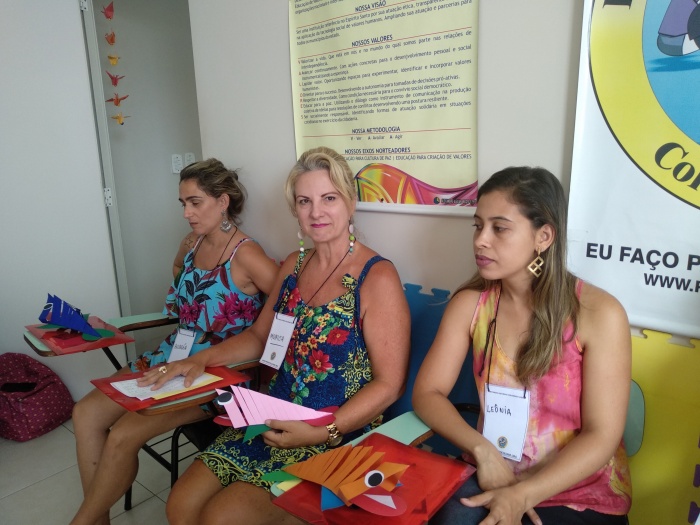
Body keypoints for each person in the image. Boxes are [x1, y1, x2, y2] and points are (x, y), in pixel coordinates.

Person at [142, 146, 411, 525]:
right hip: (272, 416)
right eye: (304, 201)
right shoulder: (293, 266)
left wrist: (324, 431)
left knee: (221, 517)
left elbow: (390, 384)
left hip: (339, 430)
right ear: (295, 210)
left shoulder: (376, 277)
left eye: (329, 198)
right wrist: (199, 359)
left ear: (350, 202)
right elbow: (259, 337)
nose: (316, 212)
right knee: (180, 505)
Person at [413, 167, 632, 525]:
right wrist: (483, 452)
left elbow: (602, 435)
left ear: (543, 236)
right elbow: (427, 393)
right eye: (478, 226)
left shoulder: (599, 313)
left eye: (499, 228)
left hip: (577, 491)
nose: (481, 240)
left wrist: (521, 495)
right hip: (493, 471)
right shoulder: (470, 305)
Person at [70, 158, 279, 525]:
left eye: (195, 202)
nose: (186, 213)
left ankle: (82, 522)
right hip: (171, 354)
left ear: (223, 201)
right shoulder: (194, 243)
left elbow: (286, 306)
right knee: (85, 413)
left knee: (123, 435)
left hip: (216, 373)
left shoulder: (247, 255)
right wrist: (182, 254)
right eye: (183, 203)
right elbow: (181, 278)